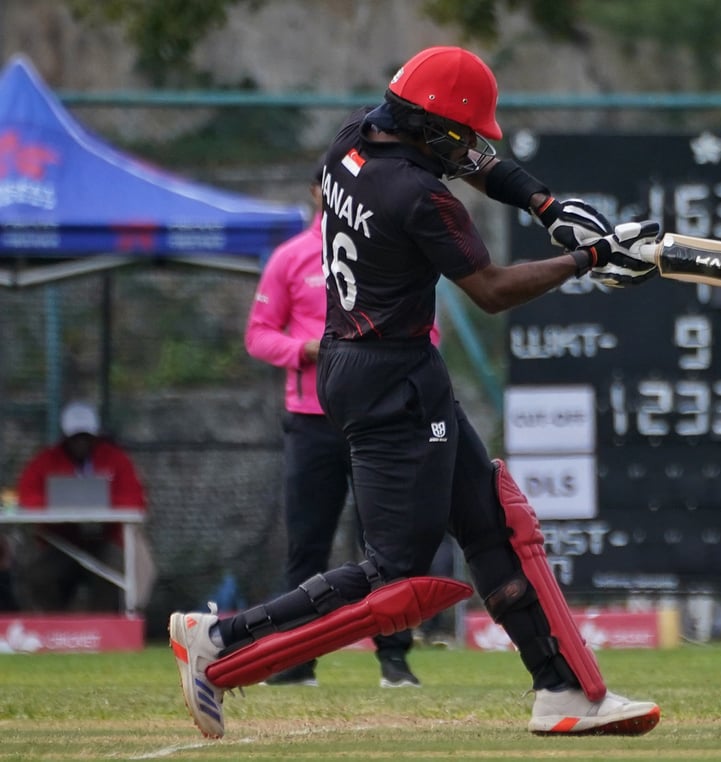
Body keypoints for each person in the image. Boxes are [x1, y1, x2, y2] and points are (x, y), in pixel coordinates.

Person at [170, 45, 661, 740]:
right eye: (459, 134)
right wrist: (589, 259)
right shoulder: (419, 196)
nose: (469, 149)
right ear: (426, 126)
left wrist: (546, 204)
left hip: (369, 363)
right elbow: (489, 292)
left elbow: (477, 163)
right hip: (389, 378)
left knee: (494, 522)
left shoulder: (353, 140)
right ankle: (220, 640)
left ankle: (561, 691)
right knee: (398, 573)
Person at [244, 162, 436, 688]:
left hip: (378, 422)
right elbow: (259, 334)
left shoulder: (386, 247)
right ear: (315, 191)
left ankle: (394, 661)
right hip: (311, 424)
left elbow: (426, 331)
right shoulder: (289, 258)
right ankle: (295, 660)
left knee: (385, 546)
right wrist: (303, 349)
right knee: (307, 545)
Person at [15, 401, 148, 611]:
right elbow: (27, 497)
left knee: (113, 571)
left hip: (105, 540)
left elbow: (135, 500)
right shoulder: (45, 461)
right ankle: (55, 629)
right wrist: (58, 507)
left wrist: (103, 508)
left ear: (95, 436)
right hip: (60, 543)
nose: (81, 442)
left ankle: (102, 630)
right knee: (40, 576)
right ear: (65, 437)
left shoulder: (117, 460)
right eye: (75, 437)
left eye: (86, 436)